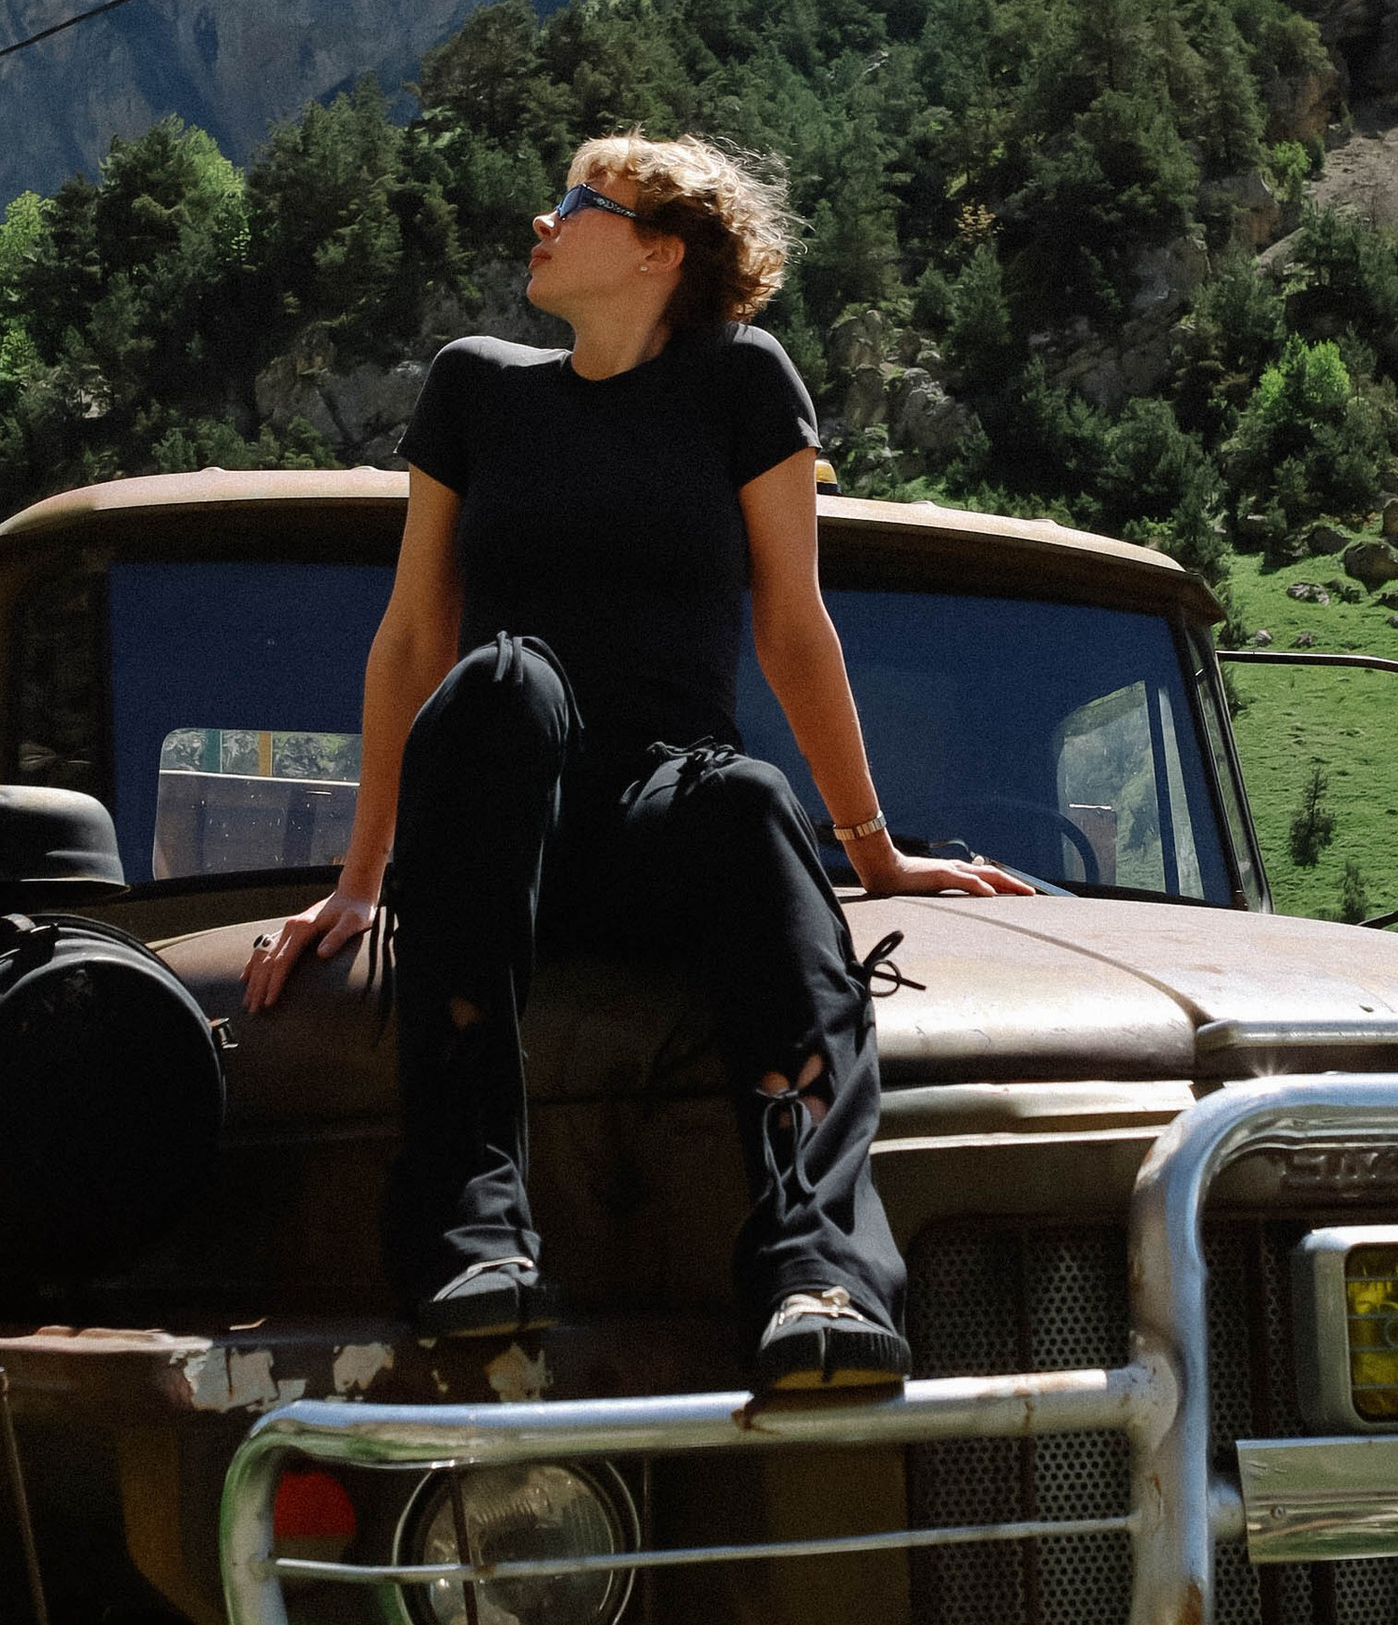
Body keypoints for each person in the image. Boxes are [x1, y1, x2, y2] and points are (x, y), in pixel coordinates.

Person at [241, 132, 1032, 1390]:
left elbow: (792, 625)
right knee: (502, 677)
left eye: (577, 200)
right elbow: (414, 634)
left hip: (662, 816)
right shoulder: (474, 384)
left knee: (744, 792)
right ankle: (467, 1237)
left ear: (661, 249)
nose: (542, 219)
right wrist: (359, 876)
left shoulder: (740, 380)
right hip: (497, 827)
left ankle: (817, 1275)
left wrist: (874, 852)